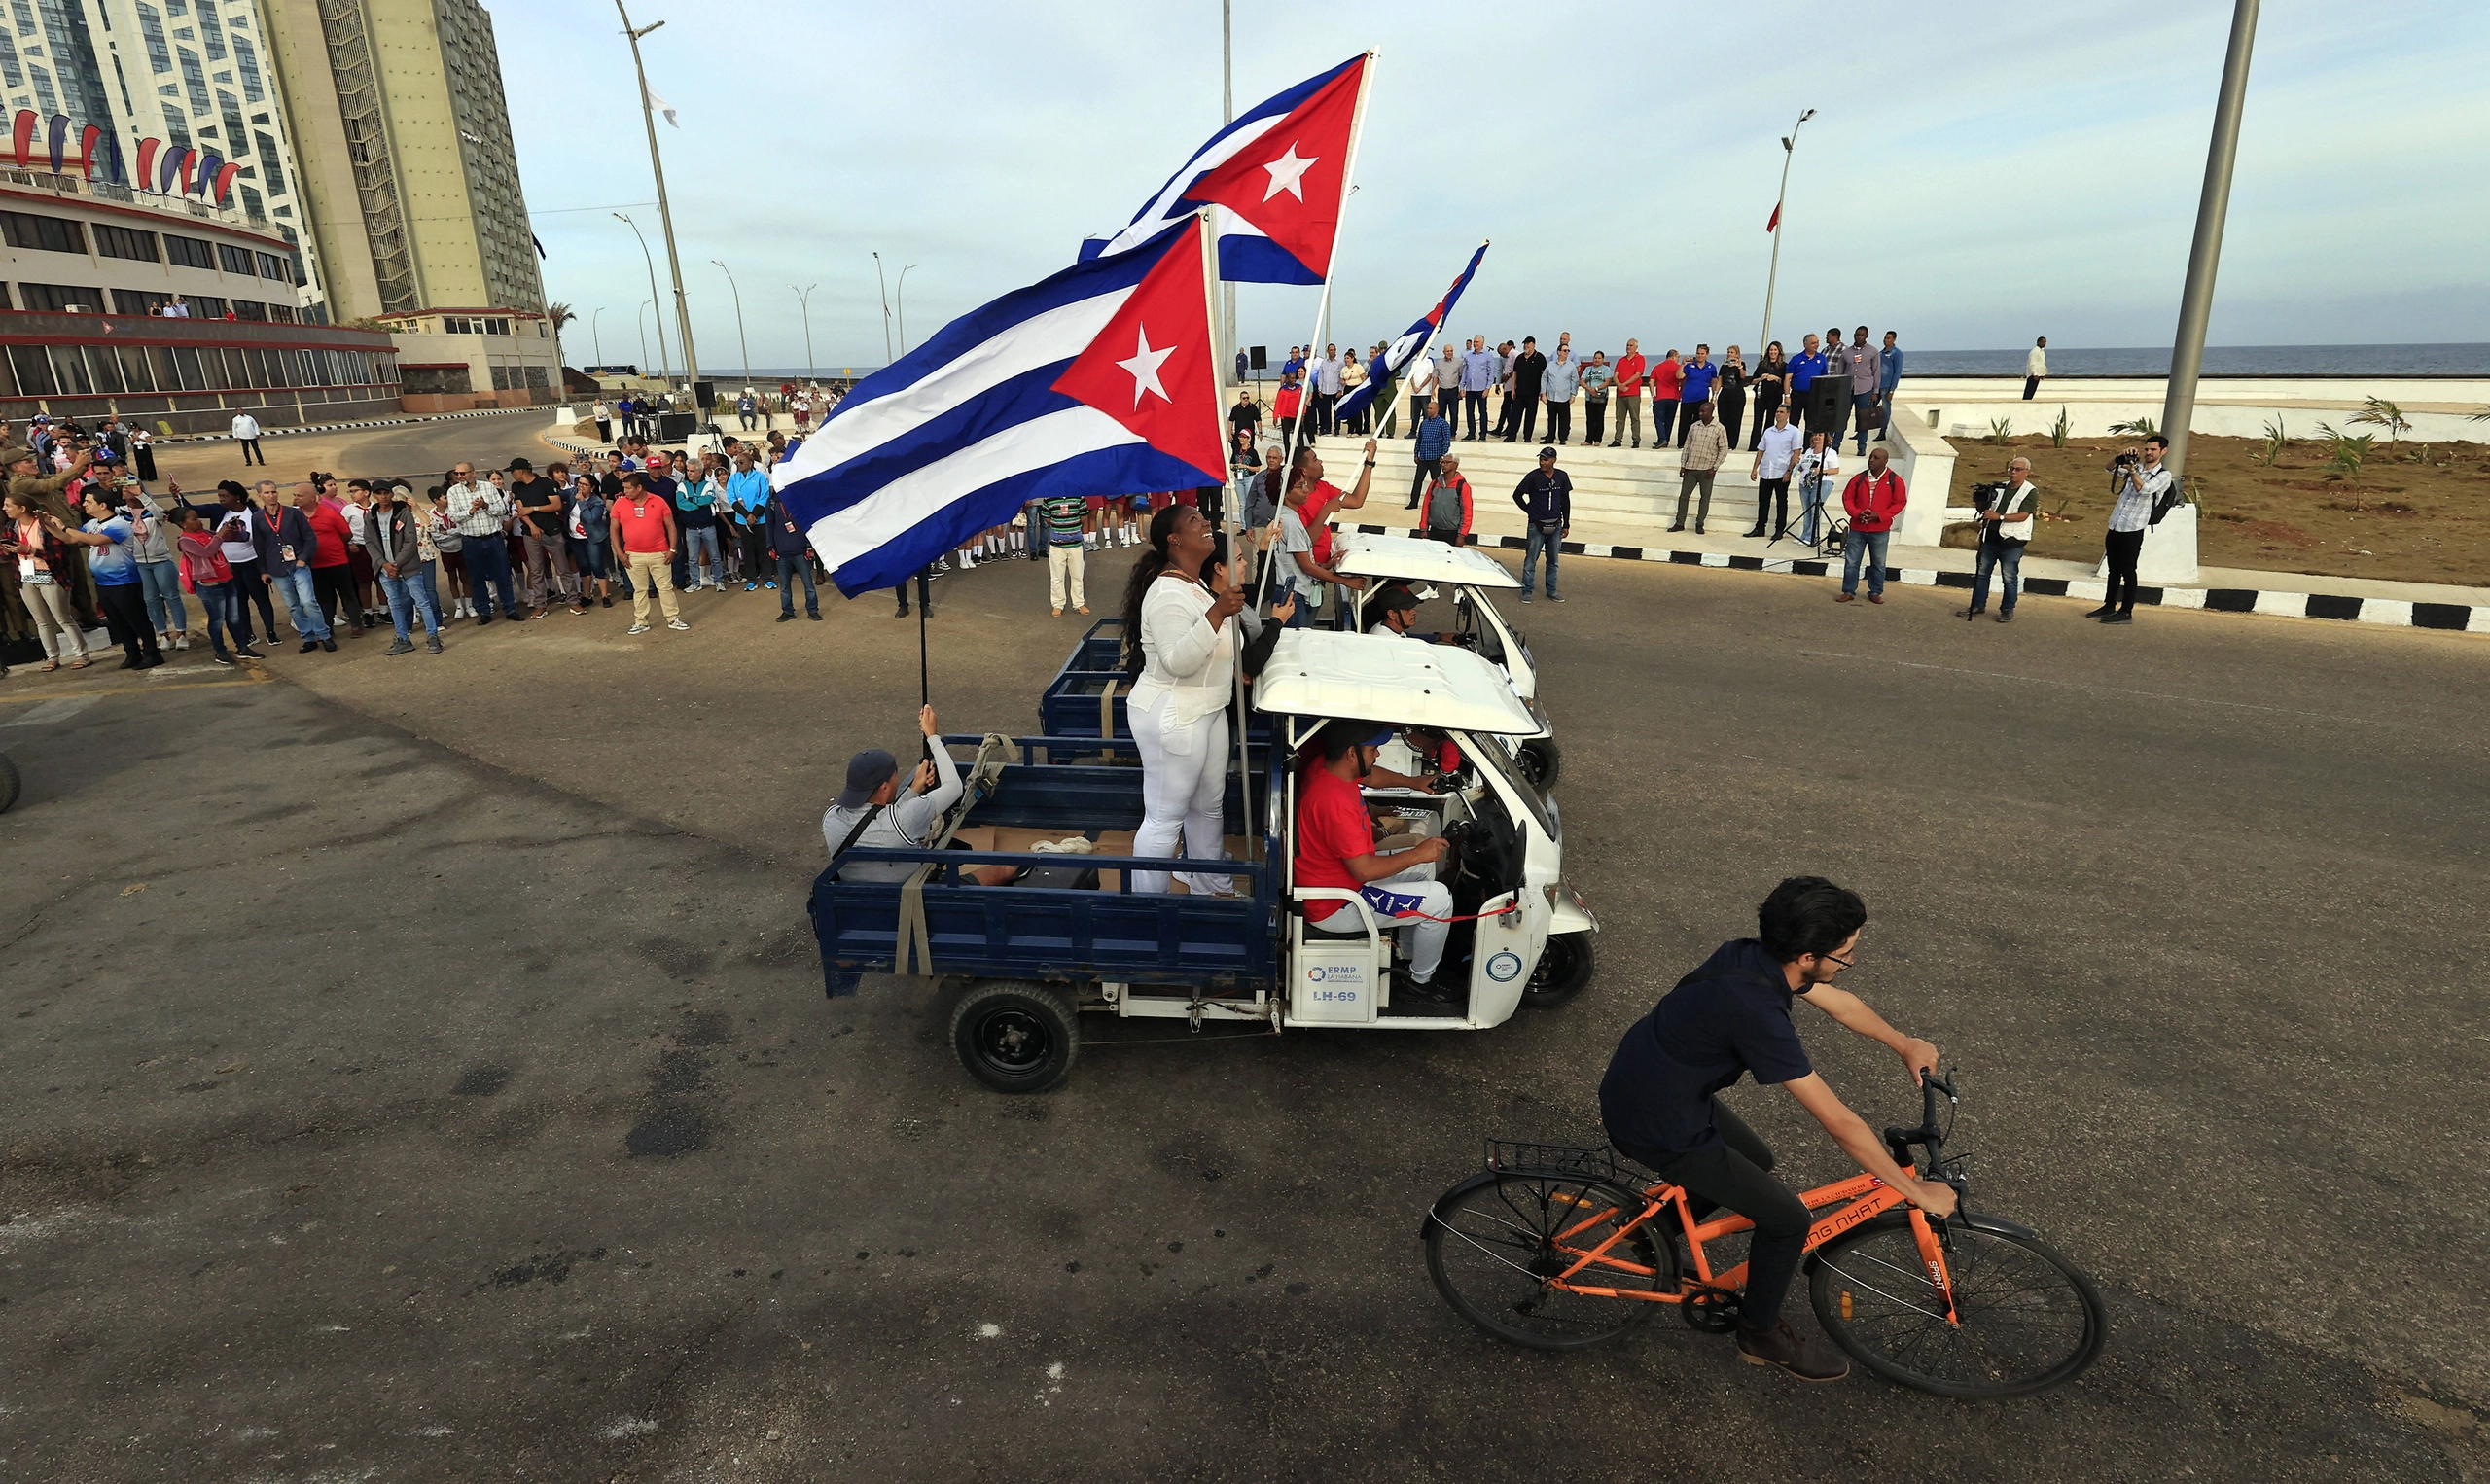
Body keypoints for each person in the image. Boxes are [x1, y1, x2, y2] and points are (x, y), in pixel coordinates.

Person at [1598, 876, 1956, 1383]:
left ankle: (1650, 1233)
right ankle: (1759, 1334)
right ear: (1808, 955)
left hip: (1653, 1084)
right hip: (1655, 1119)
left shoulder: (1752, 956)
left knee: (1757, 1161)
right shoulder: (1756, 1011)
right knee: (1788, 1220)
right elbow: (1838, 1122)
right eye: (1845, 954)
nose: (1848, 962)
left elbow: (1840, 1002)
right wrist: (1912, 1189)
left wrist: (1904, 1043)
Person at [1121, 505, 1249, 897]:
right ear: (1174, 540)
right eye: (1195, 521)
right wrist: (1215, 614)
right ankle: (1149, 907)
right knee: (1164, 818)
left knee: (1208, 808)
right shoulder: (1166, 593)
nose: (1206, 523)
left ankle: (1210, 884)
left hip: (1208, 709)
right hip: (1174, 712)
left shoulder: (1194, 586)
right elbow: (1178, 661)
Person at [1296, 719, 1457, 1003]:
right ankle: (1419, 983)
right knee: (1441, 899)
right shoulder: (1334, 803)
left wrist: (1413, 782)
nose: (1377, 754)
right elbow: (1363, 870)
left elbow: (1370, 776)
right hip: (1337, 903)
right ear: (1351, 753)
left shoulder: (1328, 768)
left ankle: (1408, 958)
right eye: (1373, 750)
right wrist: (1418, 851)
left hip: (1341, 879)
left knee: (1424, 867)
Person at [822, 706, 1019, 886]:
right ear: (884, 787)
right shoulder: (904, 820)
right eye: (894, 778)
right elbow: (954, 787)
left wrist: (915, 789)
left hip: (861, 897)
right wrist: (932, 736)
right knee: (1003, 869)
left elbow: (881, 819)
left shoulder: (831, 819)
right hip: (915, 897)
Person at [57, 487, 164, 668]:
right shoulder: (92, 524)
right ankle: (132, 652)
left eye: (88, 501)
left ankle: (152, 653)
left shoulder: (119, 524)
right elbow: (70, 539)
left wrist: (65, 527)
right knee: (117, 620)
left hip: (124, 580)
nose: (84, 504)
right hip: (103, 582)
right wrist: (49, 525)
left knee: (136, 618)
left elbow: (96, 541)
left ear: (103, 505)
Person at [1276, 444, 1371, 628]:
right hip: (1303, 581)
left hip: (1316, 576)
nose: (1320, 462)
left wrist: (1369, 462)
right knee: (1300, 631)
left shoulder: (1323, 488)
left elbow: (1357, 500)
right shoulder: (1291, 515)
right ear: (1303, 470)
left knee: (1308, 623)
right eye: (1315, 459)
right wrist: (1325, 510)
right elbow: (1305, 545)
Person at [3, 490, 91, 668]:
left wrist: (31, 551)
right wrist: (8, 551)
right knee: (41, 621)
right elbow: (14, 553)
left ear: (22, 508)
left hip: (51, 574)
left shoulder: (45, 526)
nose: (4, 508)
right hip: (26, 575)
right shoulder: (11, 528)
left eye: (8, 505)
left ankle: (81, 654)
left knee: (63, 618)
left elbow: (60, 555)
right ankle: (52, 656)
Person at [2091, 435, 2171, 625]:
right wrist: (2121, 457)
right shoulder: (2135, 465)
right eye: (2147, 449)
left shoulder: (2163, 475)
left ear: (2163, 451)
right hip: (2116, 524)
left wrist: (2133, 471)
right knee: (2113, 569)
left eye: (2153, 450)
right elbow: (2108, 468)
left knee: (2128, 571)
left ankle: (2126, 611)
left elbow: (2144, 490)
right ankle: (2109, 605)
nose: (2149, 453)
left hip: (2134, 528)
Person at [1958, 456, 2037, 622]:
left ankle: (2007, 609)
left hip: (2012, 540)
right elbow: (1985, 510)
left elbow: (2023, 515)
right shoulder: (1999, 488)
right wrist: (1981, 501)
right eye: (2011, 468)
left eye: (2018, 469)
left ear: (2027, 473)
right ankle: (1978, 604)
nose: (2013, 472)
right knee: (1982, 573)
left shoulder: (2030, 491)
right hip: (1990, 537)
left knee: (2009, 576)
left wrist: (1998, 516)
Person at [369, 482, 444, 654]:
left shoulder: (407, 515)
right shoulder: (371, 517)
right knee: (396, 603)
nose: (385, 498)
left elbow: (411, 541)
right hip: (387, 568)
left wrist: (396, 563)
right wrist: (383, 563)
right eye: (379, 494)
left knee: (423, 599)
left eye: (387, 494)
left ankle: (433, 636)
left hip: (410, 564)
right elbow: (370, 542)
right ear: (374, 496)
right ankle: (403, 637)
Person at [611, 472, 687, 634]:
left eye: (628, 488)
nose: (625, 492)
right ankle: (641, 621)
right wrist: (619, 553)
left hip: (659, 552)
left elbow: (671, 526)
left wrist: (672, 549)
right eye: (624, 488)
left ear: (639, 488)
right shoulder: (620, 504)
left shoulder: (658, 501)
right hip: (633, 555)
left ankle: (673, 618)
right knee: (640, 590)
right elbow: (613, 529)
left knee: (665, 588)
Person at [445, 462, 520, 623]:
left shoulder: (488, 487)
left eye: (463, 473)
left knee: (502, 574)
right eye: (457, 474)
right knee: (476, 577)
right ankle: (484, 611)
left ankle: (510, 608)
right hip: (471, 540)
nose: (460, 477)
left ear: (473, 473)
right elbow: (453, 516)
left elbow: (501, 509)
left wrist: (485, 505)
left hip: (493, 538)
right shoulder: (453, 492)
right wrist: (471, 511)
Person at [120, 477, 188, 651]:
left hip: (160, 559)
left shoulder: (152, 508)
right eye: (124, 488)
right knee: (151, 600)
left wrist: (141, 495)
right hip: (139, 562)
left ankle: (181, 634)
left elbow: (159, 516)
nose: (127, 490)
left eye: (132, 486)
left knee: (171, 596)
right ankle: (163, 635)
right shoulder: (119, 512)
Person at [173, 505, 245, 666]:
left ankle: (243, 647)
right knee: (217, 620)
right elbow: (208, 551)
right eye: (194, 519)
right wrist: (219, 535)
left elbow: (229, 538)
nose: (199, 521)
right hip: (209, 585)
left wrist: (231, 529)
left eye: (198, 517)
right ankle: (220, 651)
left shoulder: (205, 533)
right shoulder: (185, 541)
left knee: (234, 618)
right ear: (183, 524)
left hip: (227, 578)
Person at [1836, 447, 1906, 605]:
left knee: (1879, 563)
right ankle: (1848, 591)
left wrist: (1880, 516)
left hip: (1879, 530)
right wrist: (1856, 513)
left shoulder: (1895, 480)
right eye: (1871, 457)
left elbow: (1900, 502)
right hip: (1858, 529)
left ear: (1885, 461)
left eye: (1876, 458)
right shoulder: (1859, 479)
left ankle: (1875, 591)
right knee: (1852, 562)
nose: (1872, 460)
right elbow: (1848, 498)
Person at [511, 458, 577, 617]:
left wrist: (533, 509)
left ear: (520, 471)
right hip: (530, 533)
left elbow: (556, 505)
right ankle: (540, 604)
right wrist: (532, 526)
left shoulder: (546, 484)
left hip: (552, 531)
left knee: (562, 568)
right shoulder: (516, 487)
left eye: (513, 471)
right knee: (536, 570)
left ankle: (573, 601)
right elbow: (521, 510)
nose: (512, 475)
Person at [1512, 445, 1571, 604]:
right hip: (1536, 525)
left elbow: (1565, 500)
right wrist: (1529, 511)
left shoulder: (1562, 477)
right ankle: (1527, 590)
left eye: (1545, 459)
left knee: (1553, 560)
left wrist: (1566, 523)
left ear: (1554, 460)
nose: (1542, 462)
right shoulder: (1533, 477)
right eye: (1541, 459)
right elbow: (1517, 495)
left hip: (1556, 524)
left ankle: (1552, 590)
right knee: (1531, 559)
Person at [302, 483, 363, 635]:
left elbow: (346, 533)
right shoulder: (298, 517)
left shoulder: (330, 514)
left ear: (312, 498)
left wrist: (334, 545)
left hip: (337, 562)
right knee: (323, 598)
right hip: (315, 564)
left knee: (347, 594)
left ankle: (356, 624)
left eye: (300, 496)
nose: (296, 499)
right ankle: (327, 627)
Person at [1671, 401, 1730, 536]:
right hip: (1691, 468)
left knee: (1704, 498)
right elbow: (1687, 446)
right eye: (1700, 411)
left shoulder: (1719, 428)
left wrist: (1714, 467)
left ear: (1711, 412)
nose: (1701, 414)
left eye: (1704, 411)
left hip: (1707, 469)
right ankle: (1679, 523)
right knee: (1684, 496)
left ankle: (1700, 523)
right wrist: (1683, 465)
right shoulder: (1694, 426)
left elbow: (1723, 449)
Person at [763, 485, 821, 621]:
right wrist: (770, 546)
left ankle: (812, 610)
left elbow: (807, 523)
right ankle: (788, 611)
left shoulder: (799, 498)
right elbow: (769, 525)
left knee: (809, 584)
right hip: (781, 552)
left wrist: (808, 546)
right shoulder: (772, 502)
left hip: (800, 551)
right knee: (784, 586)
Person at [1746, 405, 1804, 540]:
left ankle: (1779, 530)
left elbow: (1796, 453)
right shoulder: (1768, 431)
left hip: (1782, 471)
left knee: (1781, 502)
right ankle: (1760, 527)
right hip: (1767, 471)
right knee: (1763, 501)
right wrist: (1755, 468)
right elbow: (1761, 450)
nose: (1778, 414)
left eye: (1781, 412)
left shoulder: (1794, 432)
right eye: (1777, 411)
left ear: (1788, 414)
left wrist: (1789, 471)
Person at [1031, 487, 1088, 618]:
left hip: (1075, 543)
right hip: (1057, 544)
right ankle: (1058, 604)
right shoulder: (1049, 498)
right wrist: (1059, 527)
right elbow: (1046, 517)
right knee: (1057, 576)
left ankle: (1079, 603)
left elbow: (1084, 515)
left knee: (1077, 574)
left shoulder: (1078, 495)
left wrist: (1074, 527)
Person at [1792, 432, 1841, 549]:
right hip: (1805, 483)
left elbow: (1836, 469)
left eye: (1820, 435)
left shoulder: (1830, 452)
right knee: (1806, 510)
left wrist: (1822, 471)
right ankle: (1805, 535)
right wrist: (1798, 465)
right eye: (1815, 435)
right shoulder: (1809, 451)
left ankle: (1812, 536)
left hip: (1821, 483)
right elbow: (1806, 468)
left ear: (1825, 438)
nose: (1816, 437)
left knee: (1815, 510)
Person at [1416, 453, 1473, 547]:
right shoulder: (1434, 484)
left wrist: (1462, 535)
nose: (1443, 465)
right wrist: (1424, 528)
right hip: (1434, 530)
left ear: (1455, 465)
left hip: (1452, 533)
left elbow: (1467, 512)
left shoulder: (1462, 486)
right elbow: (1426, 506)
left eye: (1447, 462)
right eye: (1443, 462)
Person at [1406, 399, 1453, 510]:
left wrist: (1442, 456)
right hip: (1423, 458)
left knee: (1436, 483)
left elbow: (1446, 441)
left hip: (1435, 459)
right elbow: (1419, 439)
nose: (1428, 410)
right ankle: (1413, 502)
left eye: (1430, 408)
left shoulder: (1443, 424)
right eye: (1427, 408)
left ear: (1436, 410)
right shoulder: (1424, 423)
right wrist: (1416, 454)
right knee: (1418, 481)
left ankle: (1436, 504)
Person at [1504, 336, 1547, 444]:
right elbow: (1515, 374)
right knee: (1515, 415)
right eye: (1525, 344)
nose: (1526, 346)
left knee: (1530, 416)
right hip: (1520, 392)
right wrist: (1513, 389)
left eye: (1528, 344)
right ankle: (1512, 435)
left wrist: (1543, 391)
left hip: (1533, 393)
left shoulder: (1539, 358)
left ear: (1533, 345)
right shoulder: (1520, 358)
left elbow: (1544, 375)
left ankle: (1527, 436)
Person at [1748, 341, 1789, 451]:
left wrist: (1775, 378)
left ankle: (1766, 446)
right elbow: (1752, 381)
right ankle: (1753, 446)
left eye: (1775, 350)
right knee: (1757, 421)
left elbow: (1785, 381)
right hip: (1761, 396)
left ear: (1779, 351)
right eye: (1771, 350)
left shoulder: (1783, 366)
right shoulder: (1762, 364)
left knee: (1770, 421)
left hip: (1775, 396)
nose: (1773, 352)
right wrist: (1761, 378)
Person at [1675, 345, 1717, 448]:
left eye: (1702, 353)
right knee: (1685, 422)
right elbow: (1679, 376)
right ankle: (1682, 444)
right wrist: (1683, 364)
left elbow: (1714, 382)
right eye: (1698, 353)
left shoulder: (1711, 367)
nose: (1700, 356)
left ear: (1707, 354)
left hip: (1702, 399)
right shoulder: (1689, 366)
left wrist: (1714, 397)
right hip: (1688, 398)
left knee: (1699, 422)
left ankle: (1696, 444)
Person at [1609, 338, 1647, 449]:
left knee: (1634, 418)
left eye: (1631, 345)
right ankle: (1617, 439)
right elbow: (1615, 375)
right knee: (1619, 418)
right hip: (1620, 394)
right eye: (1627, 345)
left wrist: (1624, 384)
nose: (1629, 347)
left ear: (1636, 347)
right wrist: (1619, 385)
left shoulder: (1640, 359)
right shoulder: (1621, 360)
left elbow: (1638, 374)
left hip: (1633, 393)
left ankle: (1636, 439)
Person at [1540, 342, 1580, 446]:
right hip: (1551, 396)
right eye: (1565, 350)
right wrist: (1543, 393)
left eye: (1568, 351)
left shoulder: (1571, 366)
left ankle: (1562, 438)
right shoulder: (1551, 364)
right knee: (1551, 418)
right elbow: (1544, 378)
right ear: (1559, 352)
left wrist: (1573, 394)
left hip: (1564, 397)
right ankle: (1550, 437)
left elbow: (1575, 381)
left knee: (1564, 419)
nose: (1567, 352)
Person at [1459, 336, 1496, 442]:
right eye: (1474, 342)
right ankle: (1471, 433)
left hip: (1481, 389)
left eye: (1477, 342)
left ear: (1482, 343)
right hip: (1470, 389)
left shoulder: (1488, 356)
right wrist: (1462, 387)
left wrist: (1488, 388)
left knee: (1483, 411)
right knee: (1469, 411)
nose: (1475, 344)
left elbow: (1491, 372)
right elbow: (1465, 372)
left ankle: (1483, 433)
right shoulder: (1468, 356)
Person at [1715, 345, 1749, 450]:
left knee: (1735, 420)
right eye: (1728, 352)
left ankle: (1732, 444)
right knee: (1723, 420)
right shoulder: (1724, 366)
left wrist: (1739, 366)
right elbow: (1719, 381)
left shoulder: (1741, 365)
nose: (1730, 354)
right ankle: (1722, 443)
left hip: (1737, 396)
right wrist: (1715, 395)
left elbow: (1743, 376)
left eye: (1732, 352)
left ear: (1737, 354)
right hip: (1725, 395)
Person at [1404, 344, 1440, 440]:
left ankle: (1426, 432)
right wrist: (1414, 387)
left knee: (1426, 413)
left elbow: (1429, 376)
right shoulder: (1415, 362)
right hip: (1414, 392)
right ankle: (1413, 431)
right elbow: (1411, 376)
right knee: (1415, 413)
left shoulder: (1429, 361)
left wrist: (1420, 387)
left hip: (1425, 392)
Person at [1579, 351, 1613, 447]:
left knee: (1599, 418)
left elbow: (1607, 381)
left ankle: (1598, 439)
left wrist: (1597, 389)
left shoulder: (1606, 369)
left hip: (1601, 397)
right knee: (1590, 418)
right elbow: (1582, 380)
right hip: (1589, 397)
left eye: (1599, 358)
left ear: (1603, 359)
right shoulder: (1588, 369)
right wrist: (1589, 389)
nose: (1597, 360)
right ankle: (1589, 439)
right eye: (1595, 358)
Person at [1649, 348, 1683, 445]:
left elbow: (1651, 382)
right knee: (1669, 419)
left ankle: (1662, 438)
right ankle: (1666, 439)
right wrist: (1680, 393)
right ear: (1673, 357)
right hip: (1674, 396)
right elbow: (1682, 380)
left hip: (1660, 396)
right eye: (1678, 357)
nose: (1678, 359)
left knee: (1659, 419)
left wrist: (1652, 394)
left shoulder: (1658, 367)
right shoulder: (1678, 367)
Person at [1875, 331, 1903, 443]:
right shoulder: (1880, 353)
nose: (1886, 340)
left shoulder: (1896, 353)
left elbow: (1897, 372)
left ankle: (1883, 432)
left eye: (1889, 338)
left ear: (1894, 340)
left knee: (1886, 410)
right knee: (1869, 407)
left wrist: (1892, 389)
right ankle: (1862, 430)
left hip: (1887, 387)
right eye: (1885, 338)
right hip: (1877, 385)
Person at [2024, 336, 2048, 401]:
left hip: (2038, 374)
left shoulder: (2042, 351)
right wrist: (2034, 374)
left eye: (2045, 342)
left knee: (2033, 391)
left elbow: (2041, 363)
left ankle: (2029, 401)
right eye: (2043, 342)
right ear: (2039, 342)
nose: (2045, 343)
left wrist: (2043, 373)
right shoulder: (2034, 351)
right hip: (2033, 375)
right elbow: (2032, 363)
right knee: (2029, 391)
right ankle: (2026, 401)